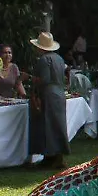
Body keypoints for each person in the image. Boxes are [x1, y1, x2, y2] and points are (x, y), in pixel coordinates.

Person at [29, 31, 69, 168]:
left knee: (48, 126)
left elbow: (44, 79)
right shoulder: (59, 59)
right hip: (59, 93)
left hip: (49, 94)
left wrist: (29, 78)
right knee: (57, 125)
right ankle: (54, 156)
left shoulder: (43, 60)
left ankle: (53, 157)